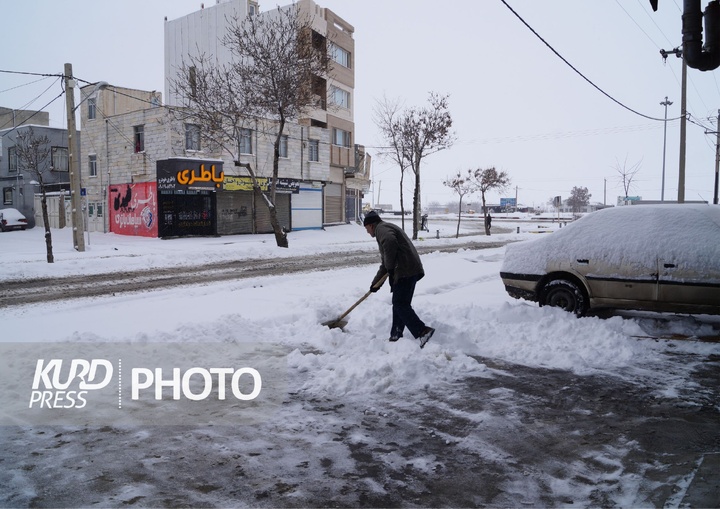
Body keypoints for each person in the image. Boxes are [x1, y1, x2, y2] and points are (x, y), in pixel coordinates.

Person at [363, 210, 435, 348]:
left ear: (371, 225)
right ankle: (396, 335)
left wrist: (390, 267)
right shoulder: (386, 227)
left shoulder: (381, 229)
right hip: (409, 269)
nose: (367, 232)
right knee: (400, 304)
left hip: (405, 271)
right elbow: (386, 264)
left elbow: (390, 243)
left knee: (400, 303)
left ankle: (422, 331)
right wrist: (375, 284)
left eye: (366, 228)